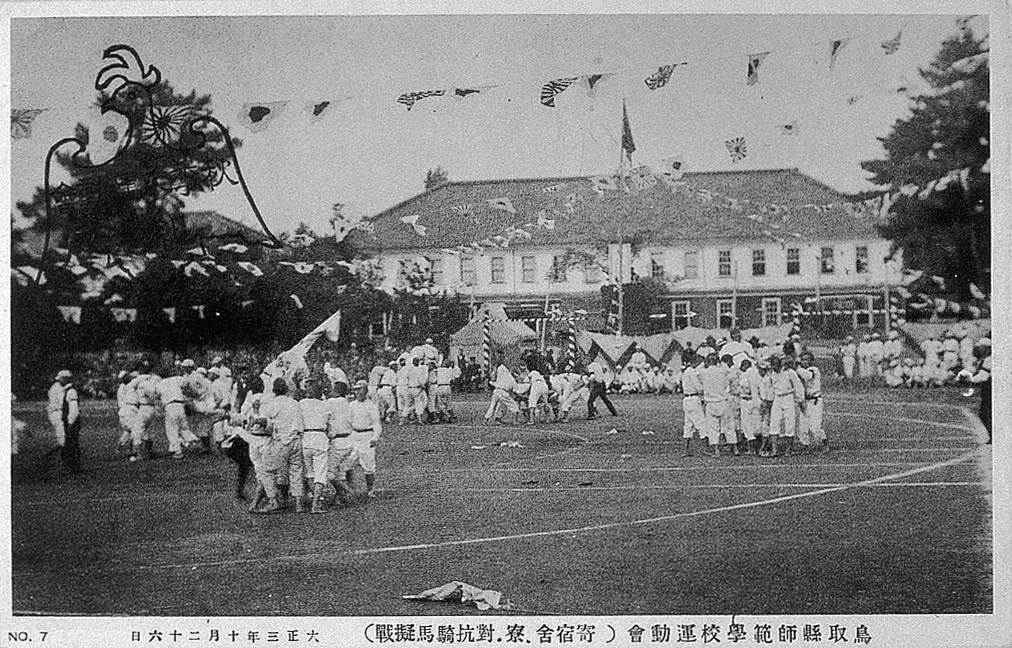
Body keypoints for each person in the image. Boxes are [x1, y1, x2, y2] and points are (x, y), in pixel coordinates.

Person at [256, 378, 305, 514]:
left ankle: (273, 501)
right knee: (296, 471)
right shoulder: (294, 403)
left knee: (265, 470)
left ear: (274, 390)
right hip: (297, 439)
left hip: (282, 440)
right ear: (286, 389)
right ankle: (299, 504)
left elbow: (264, 422)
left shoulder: (273, 404)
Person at [299, 376, 333, 514]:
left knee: (309, 472)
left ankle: (314, 498)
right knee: (320, 473)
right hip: (319, 438)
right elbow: (330, 424)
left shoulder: (301, 404)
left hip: (306, 438)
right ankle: (316, 504)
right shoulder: (325, 405)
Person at [158, 359, 202, 459]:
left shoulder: (161, 383)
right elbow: (187, 389)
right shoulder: (180, 379)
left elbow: (157, 395)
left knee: (172, 429)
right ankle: (193, 440)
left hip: (170, 406)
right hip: (180, 405)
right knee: (184, 427)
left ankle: (178, 452)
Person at [349, 379, 383, 498]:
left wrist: (375, 438)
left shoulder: (371, 406)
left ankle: (370, 490)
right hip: (354, 435)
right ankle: (349, 489)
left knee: (369, 465)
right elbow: (348, 421)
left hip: (367, 436)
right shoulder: (352, 405)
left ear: (366, 391)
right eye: (356, 390)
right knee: (348, 463)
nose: (358, 393)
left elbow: (377, 424)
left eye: (360, 390)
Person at [325, 381, 358, 505]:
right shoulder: (349, 403)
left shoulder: (330, 402)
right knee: (343, 470)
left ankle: (349, 491)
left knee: (329, 472)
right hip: (349, 439)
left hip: (337, 441)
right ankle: (341, 496)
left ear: (336, 391)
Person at [767, 355, 805, 457]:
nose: (774, 367)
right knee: (774, 422)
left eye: (776, 365)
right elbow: (770, 387)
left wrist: (800, 399)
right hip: (777, 398)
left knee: (790, 422)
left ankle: (788, 449)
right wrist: (769, 400)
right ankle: (774, 450)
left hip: (788, 397)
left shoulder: (789, 372)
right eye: (773, 365)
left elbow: (798, 385)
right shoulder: (771, 373)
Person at [700, 354, 737, 457]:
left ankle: (716, 450)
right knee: (729, 425)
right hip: (723, 401)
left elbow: (698, 370)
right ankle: (735, 448)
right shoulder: (723, 370)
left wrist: (705, 363)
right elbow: (732, 374)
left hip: (711, 402)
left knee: (713, 427)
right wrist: (721, 364)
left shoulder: (703, 372)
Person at [958, 340, 992, 444]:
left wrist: (970, 380)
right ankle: (993, 435)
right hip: (987, 388)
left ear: (987, 348)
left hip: (991, 388)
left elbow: (983, 376)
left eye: (981, 347)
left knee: (985, 413)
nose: (978, 349)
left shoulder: (989, 359)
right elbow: (973, 369)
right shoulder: (983, 359)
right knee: (985, 413)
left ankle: (994, 435)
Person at [795, 351, 827, 452]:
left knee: (814, 427)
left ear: (811, 361)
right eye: (803, 360)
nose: (804, 362)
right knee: (803, 425)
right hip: (805, 401)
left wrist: (796, 367)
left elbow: (808, 375)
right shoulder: (801, 371)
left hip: (815, 401)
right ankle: (805, 445)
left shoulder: (814, 370)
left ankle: (822, 441)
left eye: (807, 359)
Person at [680, 353, 706, 457]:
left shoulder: (687, 372)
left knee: (688, 425)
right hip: (693, 399)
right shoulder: (691, 372)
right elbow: (699, 388)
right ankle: (706, 448)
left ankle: (686, 450)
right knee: (701, 424)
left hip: (687, 399)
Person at [738, 359, 762, 455]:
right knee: (756, 423)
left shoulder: (745, 375)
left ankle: (752, 447)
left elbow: (745, 387)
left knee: (747, 424)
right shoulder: (757, 373)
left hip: (747, 400)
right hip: (757, 400)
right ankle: (759, 446)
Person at [46, 370, 72, 455]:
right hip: (56, 412)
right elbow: (60, 403)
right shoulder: (55, 388)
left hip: (63, 412)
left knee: (68, 431)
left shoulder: (67, 387)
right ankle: (62, 448)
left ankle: (64, 447)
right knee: (61, 430)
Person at [115, 371, 139, 459]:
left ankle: (119, 448)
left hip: (125, 411)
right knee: (134, 431)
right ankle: (132, 452)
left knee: (127, 432)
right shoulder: (125, 387)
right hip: (129, 411)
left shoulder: (123, 387)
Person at [431, 358, 460, 423]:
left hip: (440, 387)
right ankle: (453, 415)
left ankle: (447, 415)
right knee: (448, 402)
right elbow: (453, 378)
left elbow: (433, 369)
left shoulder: (439, 370)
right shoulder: (450, 370)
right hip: (447, 387)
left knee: (440, 403)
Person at [395, 356, 415, 425]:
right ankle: (404, 419)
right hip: (405, 386)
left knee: (400, 403)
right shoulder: (408, 369)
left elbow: (396, 379)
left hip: (398, 387)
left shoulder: (399, 370)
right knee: (407, 403)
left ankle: (401, 419)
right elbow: (411, 378)